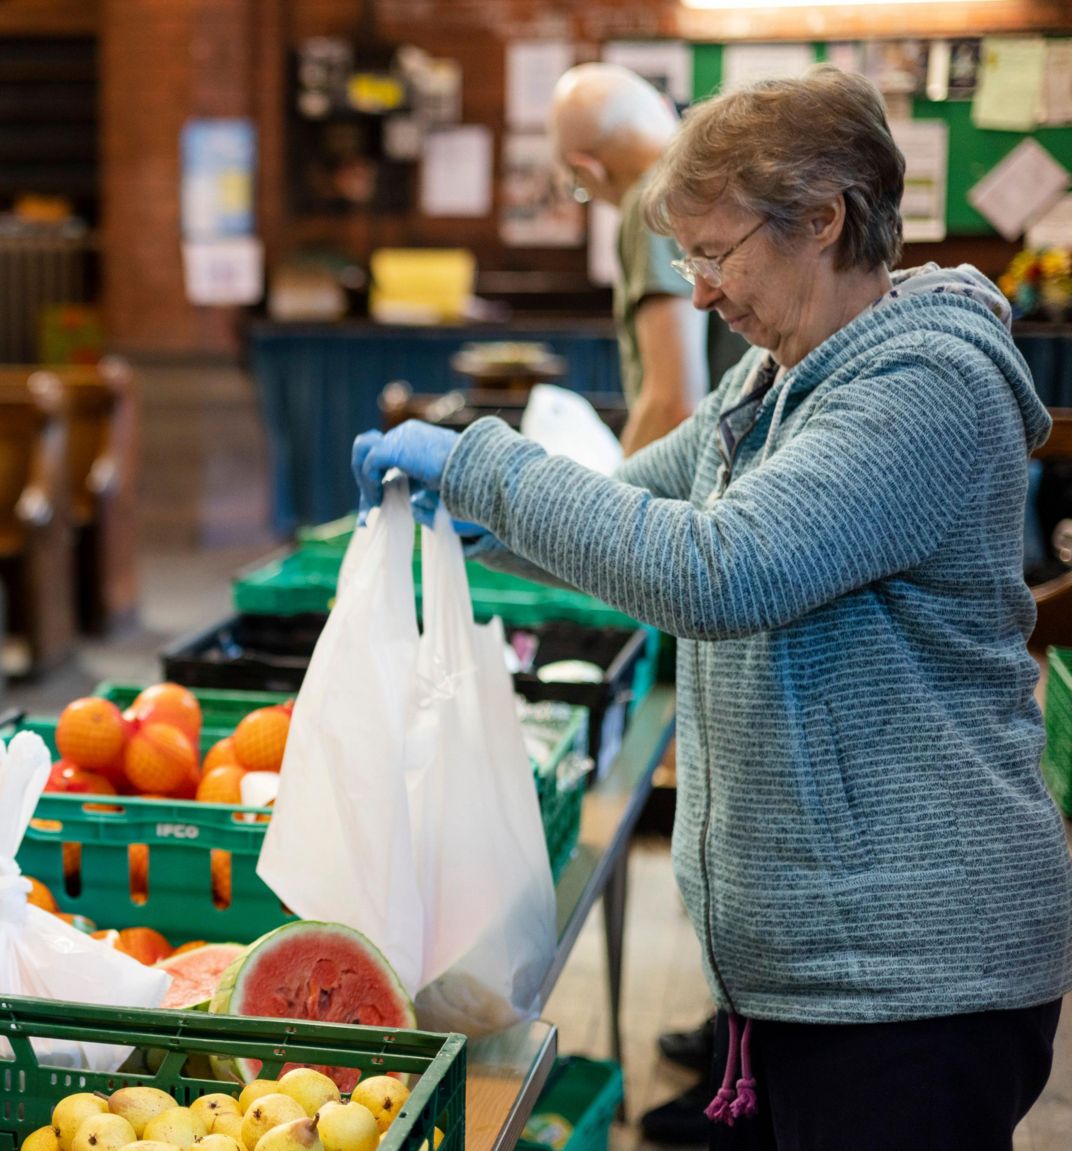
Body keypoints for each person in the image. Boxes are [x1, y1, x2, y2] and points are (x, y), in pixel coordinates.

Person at [357, 67, 1071, 1150]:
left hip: (914, 973)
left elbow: (716, 570)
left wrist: (482, 467)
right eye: (685, 256)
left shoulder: (924, 387)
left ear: (822, 219)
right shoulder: (771, 380)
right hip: (806, 965)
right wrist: (472, 515)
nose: (695, 291)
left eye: (715, 252)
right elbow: (629, 507)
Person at [551, 63, 712, 455]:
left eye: (579, 188)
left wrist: (610, 497)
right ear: (662, 105)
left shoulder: (651, 202)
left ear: (587, 168)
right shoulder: (706, 177)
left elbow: (674, 404)